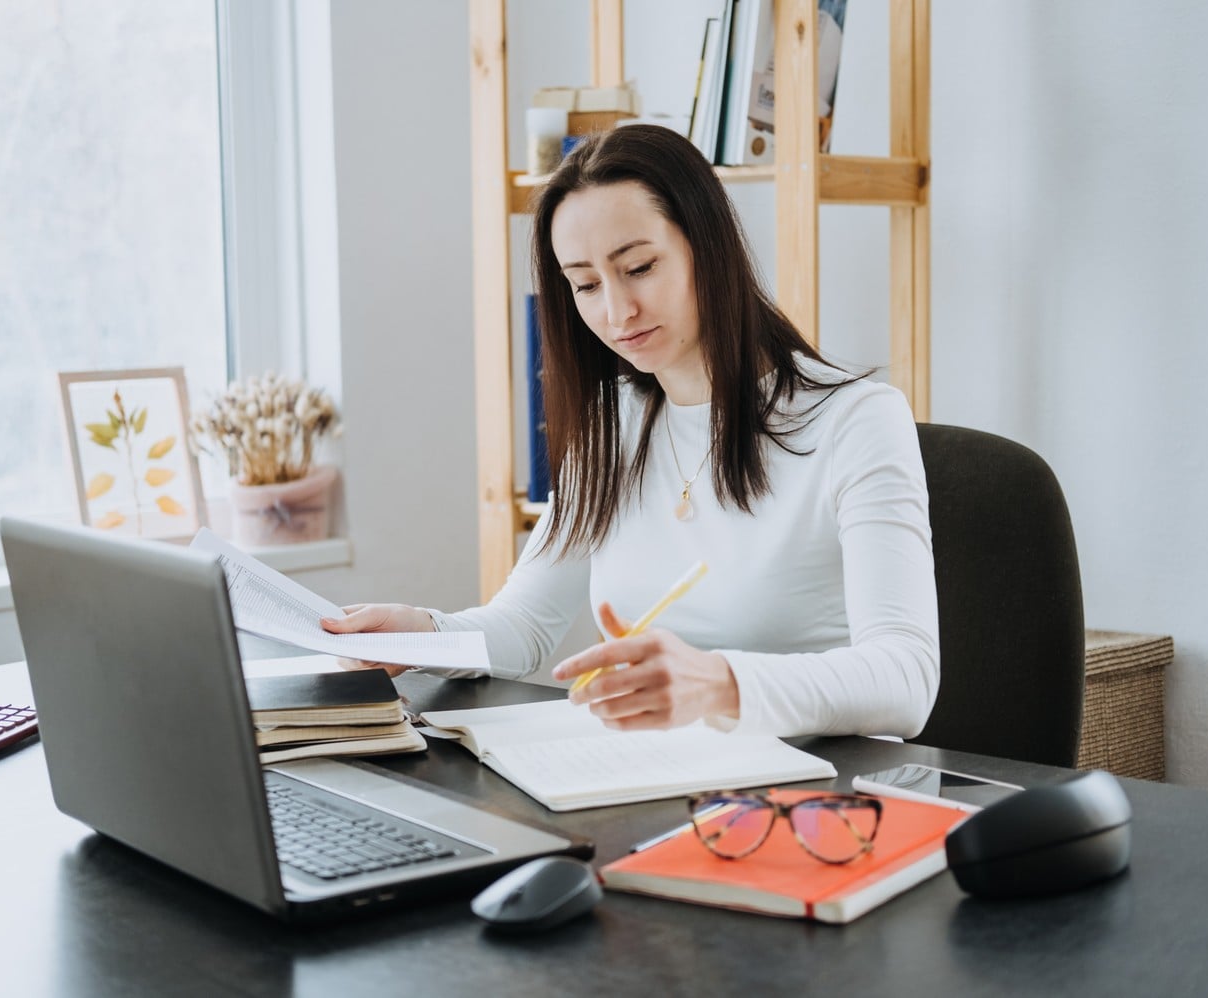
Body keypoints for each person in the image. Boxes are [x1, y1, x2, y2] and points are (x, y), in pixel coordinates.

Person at [324, 124, 938, 739]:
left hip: (814, 802)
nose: (617, 313)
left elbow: (905, 679)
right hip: (658, 782)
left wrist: (719, 683)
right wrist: (420, 633)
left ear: (708, 246)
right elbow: (526, 624)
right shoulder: (611, 424)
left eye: (639, 267)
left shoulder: (857, 421)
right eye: (586, 285)